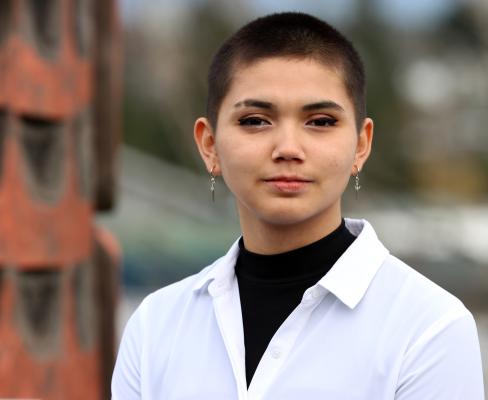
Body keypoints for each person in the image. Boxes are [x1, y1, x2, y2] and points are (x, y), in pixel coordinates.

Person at [112, 12, 484, 399]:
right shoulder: (156, 325)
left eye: (320, 122)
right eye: (255, 120)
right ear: (209, 145)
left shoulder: (428, 326)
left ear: (360, 144)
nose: (288, 148)